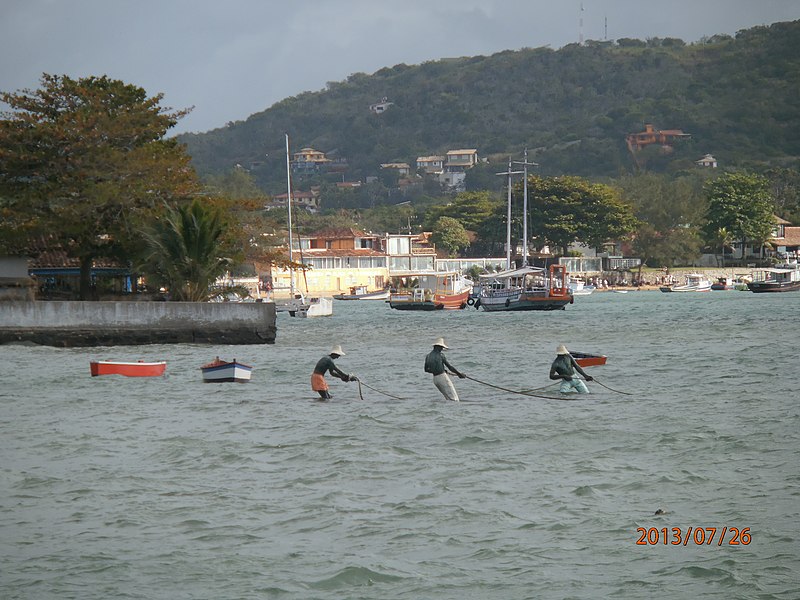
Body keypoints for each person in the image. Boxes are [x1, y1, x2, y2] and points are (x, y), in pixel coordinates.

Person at [424, 338, 465, 402]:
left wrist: (438, 370)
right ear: (438, 347)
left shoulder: (428, 356)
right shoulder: (440, 355)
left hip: (435, 380)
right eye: (441, 347)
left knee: (448, 398)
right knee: (454, 398)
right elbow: (450, 367)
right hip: (442, 377)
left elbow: (426, 370)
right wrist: (459, 374)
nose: (442, 349)